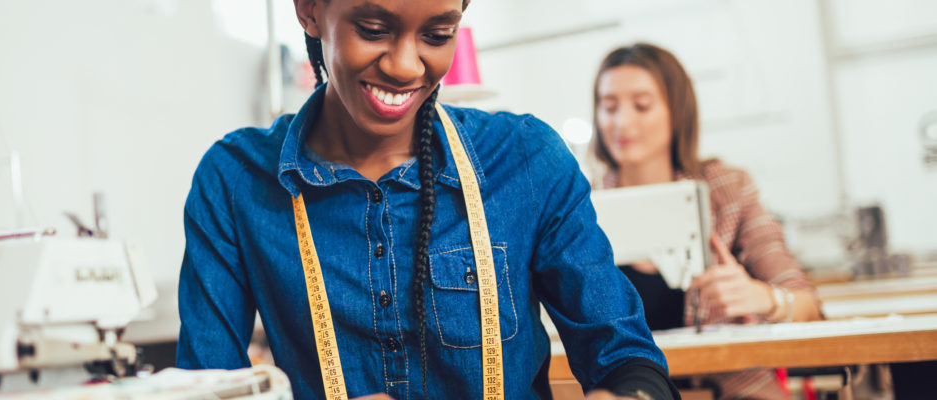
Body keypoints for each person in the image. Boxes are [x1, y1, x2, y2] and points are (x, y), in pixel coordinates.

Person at [176, 2, 680, 399]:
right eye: (372, 29)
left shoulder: (527, 162)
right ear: (308, 9)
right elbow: (205, 388)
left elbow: (625, 358)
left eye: (437, 36)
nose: (405, 65)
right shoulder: (235, 181)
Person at [590, 42, 824, 399]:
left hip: (734, 391)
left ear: (677, 111)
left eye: (641, 106)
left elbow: (809, 309)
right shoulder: (581, 204)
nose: (621, 121)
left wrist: (762, 297)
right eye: (608, 107)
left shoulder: (726, 190)